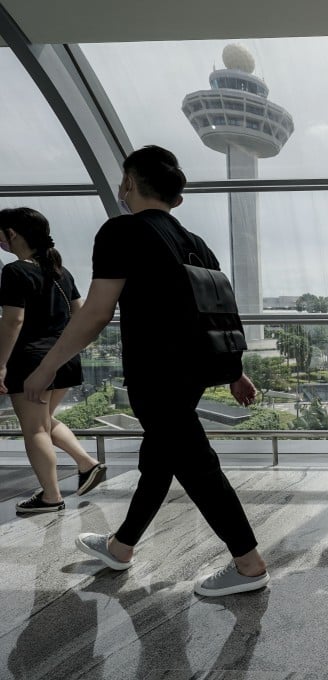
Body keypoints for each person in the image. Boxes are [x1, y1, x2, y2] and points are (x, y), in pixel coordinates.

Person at [24, 145, 268, 597]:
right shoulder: (197, 243)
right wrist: (234, 371)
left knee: (195, 464)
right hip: (194, 372)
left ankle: (248, 563)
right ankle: (120, 547)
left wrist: (47, 366)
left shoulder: (121, 232)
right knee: (159, 461)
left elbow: (96, 313)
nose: (120, 188)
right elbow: (218, 312)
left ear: (130, 183)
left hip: (156, 374)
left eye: (122, 180)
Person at [0, 208, 105, 513]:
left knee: (33, 430)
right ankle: (87, 463)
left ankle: (50, 497)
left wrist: (1, 364)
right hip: (63, 359)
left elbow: (12, 322)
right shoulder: (61, 272)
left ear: (13, 233)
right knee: (43, 422)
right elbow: (80, 314)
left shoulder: (15, 271)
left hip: (31, 360)